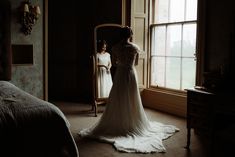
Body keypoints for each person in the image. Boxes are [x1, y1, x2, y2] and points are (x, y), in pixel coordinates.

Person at [79, 26, 179, 153]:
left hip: (120, 73)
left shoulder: (115, 48)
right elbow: (136, 63)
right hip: (130, 73)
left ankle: (120, 120)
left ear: (121, 35)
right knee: (132, 97)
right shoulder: (134, 48)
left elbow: (114, 63)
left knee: (119, 96)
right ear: (130, 35)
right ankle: (131, 120)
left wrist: (121, 63)